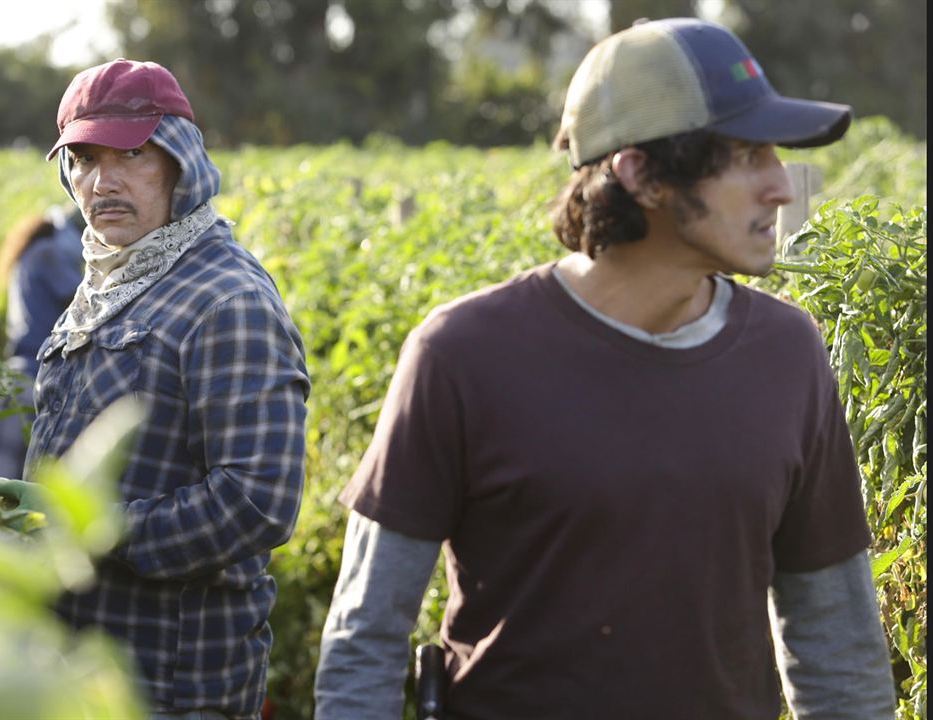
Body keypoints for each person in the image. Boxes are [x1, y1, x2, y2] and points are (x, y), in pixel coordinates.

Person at [314, 18, 895, 720]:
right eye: (744, 154)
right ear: (641, 174)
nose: (778, 184)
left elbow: (836, 645)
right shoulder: (462, 356)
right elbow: (365, 640)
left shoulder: (788, 353)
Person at [0, 59, 310, 720]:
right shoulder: (115, 274)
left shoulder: (226, 299)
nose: (103, 182)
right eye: (83, 159)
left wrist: (93, 531)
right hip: (92, 669)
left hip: (174, 683)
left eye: (131, 155)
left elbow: (257, 501)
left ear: (179, 163)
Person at [0, 205, 85, 479]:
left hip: (19, 372)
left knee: (3, 471)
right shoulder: (51, 253)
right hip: (35, 376)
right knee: (17, 476)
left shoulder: (38, 250)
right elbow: (84, 304)